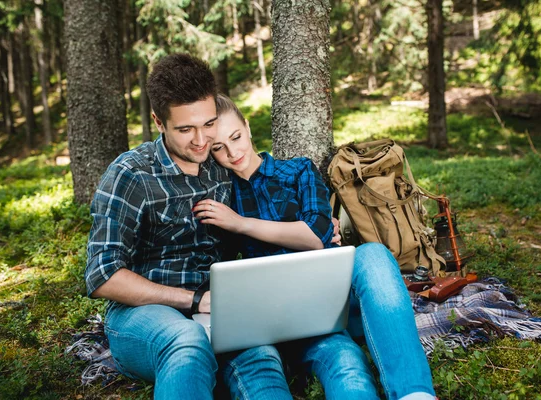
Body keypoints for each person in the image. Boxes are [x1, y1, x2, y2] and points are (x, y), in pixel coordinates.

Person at [85, 53, 380, 400]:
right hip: (147, 315)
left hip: (227, 310)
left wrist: (317, 225)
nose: (201, 141)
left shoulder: (220, 165)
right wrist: (194, 300)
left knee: (263, 361)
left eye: (208, 124)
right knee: (188, 342)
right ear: (158, 122)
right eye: (185, 129)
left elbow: (262, 184)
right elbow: (102, 275)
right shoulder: (131, 175)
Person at [192, 94, 438, 400]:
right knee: (340, 362)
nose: (232, 152)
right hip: (271, 319)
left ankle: (415, 394)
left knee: (372, 258)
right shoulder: (222, 195)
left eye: (236, 137)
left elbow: (316, 235)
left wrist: (240, 223)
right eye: (219, 148)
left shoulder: (297, 171)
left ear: (247, 126)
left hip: (327, 303)